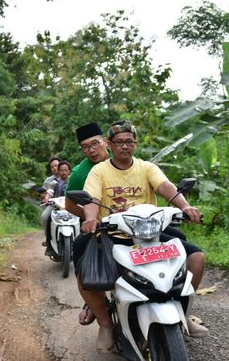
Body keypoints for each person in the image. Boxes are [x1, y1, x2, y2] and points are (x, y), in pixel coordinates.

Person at [73, 119, 209, 353]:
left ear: (135, 144)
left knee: (196, 257)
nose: (124, 146)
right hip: (114, 233)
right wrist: (90, 218)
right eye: (119, 142)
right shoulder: (99, 171)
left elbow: (166, 186)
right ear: (110, 144)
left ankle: (183, 314)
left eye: (129, 142)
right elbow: (92, 199)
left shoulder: (147, 167)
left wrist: (185, 207)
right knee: (83, 265)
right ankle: (105, 324)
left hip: (152, 232)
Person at [64, 123, 112, 326]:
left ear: (105, 142)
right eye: (85, 147)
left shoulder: (123, 160)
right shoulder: (79, 173)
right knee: (82, 258)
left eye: (95, 144)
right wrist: (92, 219)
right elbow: (69, 205)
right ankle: (96, 309)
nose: (91, 150)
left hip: (134, 225)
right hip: (98, 229)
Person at [42, 159, 71, 257]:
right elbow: (49, 192)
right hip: (55, 206)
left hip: (71, 206)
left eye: (65, 170)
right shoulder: (53, 182)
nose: (63, 172)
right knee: (46, 217)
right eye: (61, 170)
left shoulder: (72, 180)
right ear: (58, 171)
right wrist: (47, 199)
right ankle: (49, 243)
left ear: (69, 171)